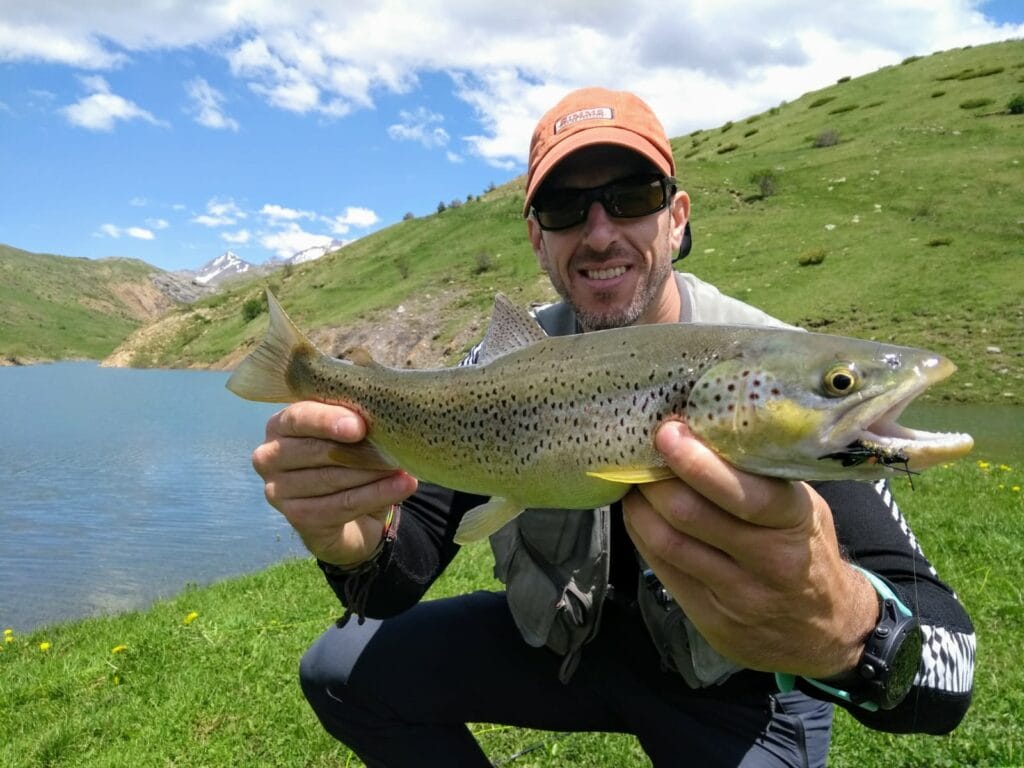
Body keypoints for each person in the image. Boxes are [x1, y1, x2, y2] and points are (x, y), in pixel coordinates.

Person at [252, 88, 975, 767]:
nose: (600, 233)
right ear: (538, 240)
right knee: (340, 672)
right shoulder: (506, 365)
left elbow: (953, 663)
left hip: (732, 694)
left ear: (678, 217)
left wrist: (847, 633)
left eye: (631, 199)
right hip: (567, 651)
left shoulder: (779, 363)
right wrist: (346, 544)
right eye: (566, 209)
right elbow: (394, 576)